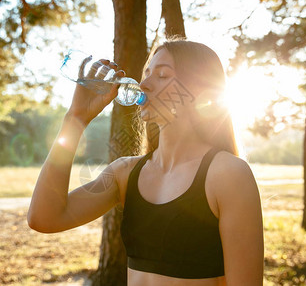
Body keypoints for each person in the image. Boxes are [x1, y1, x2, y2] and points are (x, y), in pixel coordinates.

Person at [27, 39, 264, 286]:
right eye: (147, 73)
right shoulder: (125, 173)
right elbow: (44, 217)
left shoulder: (227, 174)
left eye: (161, 75)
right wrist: (75, 119)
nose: (144, 84)